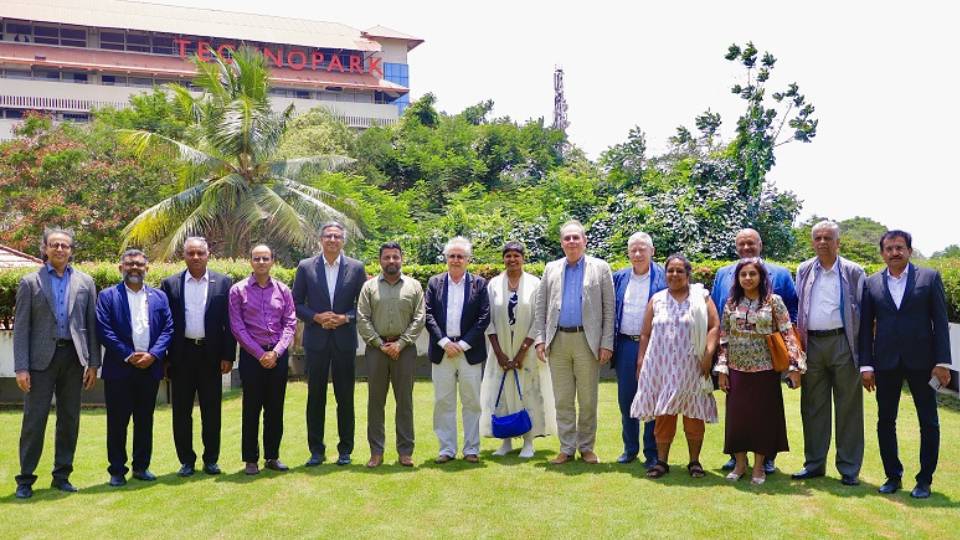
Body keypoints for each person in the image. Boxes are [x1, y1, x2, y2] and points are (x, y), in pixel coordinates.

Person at [860, 230, 952, 499]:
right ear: (882, 253)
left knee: (929, 422)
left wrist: (943, 362)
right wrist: (866, 365)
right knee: (885, 421)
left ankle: (924, 481)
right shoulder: (870, 283)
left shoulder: (929, 277)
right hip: (885, 362)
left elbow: (941, 323)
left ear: (909, 251)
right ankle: (892, 476)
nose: (894, 252)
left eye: (899, 247)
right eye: (888, 248)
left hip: (923, 362)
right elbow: (866, 328)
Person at [13, 228, 100, 499]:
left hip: (74, 359)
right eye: (55, 245)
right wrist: (21, 367)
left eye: (64, 245)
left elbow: (91, 327)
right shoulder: (30, 282)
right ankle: (25, 479)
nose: (60, 249)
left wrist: (94, 364)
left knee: (69, 419)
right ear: (45, 249)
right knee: (34, 421)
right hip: (40, 363)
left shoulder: (85, 282)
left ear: (71, 250)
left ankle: (62, 476)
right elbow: (21, 329)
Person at [711, 227, 798, 473]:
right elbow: (723, 328)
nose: (746, 248)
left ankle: (765, 460)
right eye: (742, 244)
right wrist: (721, 366)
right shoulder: (725, 282)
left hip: (766, 365)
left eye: (751, 244)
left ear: (760, 245)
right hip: (736, 365)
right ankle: (737, 461)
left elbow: (789, 323)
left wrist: (793, 364)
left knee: (764, 414)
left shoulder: (778, 283)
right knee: (738, 415)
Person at [791, 221, 866, 486]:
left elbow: (864, 315)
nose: (822, 242)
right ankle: (814, 464)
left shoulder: (854, 271)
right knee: (813, 407)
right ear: (812, 242)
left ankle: (848, 468)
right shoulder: (804, 269)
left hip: (843, 343)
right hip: (812, 345)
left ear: (838, 243)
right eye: (818, 238)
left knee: (848, 407)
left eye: (828, 238)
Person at [534, 220, 615, 465]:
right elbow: (541, 307)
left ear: (584, 241)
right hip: (557, 341)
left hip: (587, 341)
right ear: (561, 242)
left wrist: (606, 342)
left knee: (588, 399)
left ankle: (587, 447)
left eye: (575, 238)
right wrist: (540, 339)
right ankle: (567, 448)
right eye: (567, 238)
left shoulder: (600, 268)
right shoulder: (551, 268)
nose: (571, 242)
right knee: (563, 399)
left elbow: (609, 309)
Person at [631, 254, 719, 479]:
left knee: (694, 414)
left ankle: (694, 462)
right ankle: (661, 462)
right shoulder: (657, 299)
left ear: (688, 274)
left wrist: (708, 354)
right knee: (664, 414)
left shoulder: (702, 298)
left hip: (692, 365)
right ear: (665, 273)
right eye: (670, 270)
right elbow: (645, 334)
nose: (674, 275)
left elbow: (714, 326)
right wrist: (641, 361)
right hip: (662, 366)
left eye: (680, 271)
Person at [96, 249, 174, 487]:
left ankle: (141, 467)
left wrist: (154, 354)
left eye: (139, 264)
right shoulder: (108, 296)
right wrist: (129, 355)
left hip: (149, 369)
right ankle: (117, 470)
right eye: (129, 264)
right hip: (120, 370)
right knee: (117, 422)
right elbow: (104, 330)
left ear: (146, 269)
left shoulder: (159, 297)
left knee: (144, 420)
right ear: (121, 268)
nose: (134, 268)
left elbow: (168, 328)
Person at [160, 237, 236, 477]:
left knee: (211, 411)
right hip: (181, 355)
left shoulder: (223, 283)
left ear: (207, 254)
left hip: (211, 356)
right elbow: (164, 323)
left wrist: (228, 355)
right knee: (181, 412)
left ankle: (211, 459)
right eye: (190, 253)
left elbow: (229, 323)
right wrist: (165, 358)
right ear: (184, 255)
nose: (195, 257)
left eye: (199, 253)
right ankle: (186, 461)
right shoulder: (170, 284)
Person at [293, 222, 367, 467]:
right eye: (328, 236)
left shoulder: (356, 268)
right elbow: (296, 303)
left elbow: (364, 306)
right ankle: (316, 450)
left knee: (345, 397)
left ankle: (345, 450)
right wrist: (316, 317)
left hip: (344, 340)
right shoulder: (306, 267)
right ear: (320, 240)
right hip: (316, 341)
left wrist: (346, 317)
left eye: (337, 236)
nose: (333, 240)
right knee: (316, 397)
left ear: (343, 241)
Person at [480, 242, 557, 458]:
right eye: (508, 256)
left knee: (529, 392)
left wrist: (522, 352)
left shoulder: (535, 283)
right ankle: (505, 441)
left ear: (523, 258)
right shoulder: (494, 284)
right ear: (503, 259)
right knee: (502, 392)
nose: (512, 260)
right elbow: (488, 320)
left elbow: (538, 319)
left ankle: (529, 441)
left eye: (516, 255)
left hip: (528, 349)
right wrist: (499, 352)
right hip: (500, 349)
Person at [228, 245, 297, 476]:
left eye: (265, 258)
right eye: (256, 258)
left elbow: (290, 323)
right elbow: (237, 326)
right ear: (250, 262)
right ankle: (250, 459)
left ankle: (272, 456)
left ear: (272, 261)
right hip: (251, 357)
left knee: (275, 409)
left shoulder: (283, 290)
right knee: (251, 408)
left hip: (277, 356)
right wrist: (260, 354)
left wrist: (276, 352)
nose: (261, 262)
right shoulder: (238, 291)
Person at [356, 242, 426, 468]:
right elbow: (362, 318)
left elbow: (420, 318)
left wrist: (401, 343)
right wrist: (379, 343)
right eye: (386, 257)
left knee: (404, 401)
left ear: (401, 259)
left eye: (395, 257)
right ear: (380, 260)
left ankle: (405, 452)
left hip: (404, 351)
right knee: (376, 401)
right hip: (376, 350)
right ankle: (376, 452)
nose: (391, 261)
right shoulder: (369, 287)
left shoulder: (414, 286)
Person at [425, 237, 490, 464]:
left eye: (460, 256)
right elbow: (428, 314)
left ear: (468, 260)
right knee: (444, 402)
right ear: (446, 258)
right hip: (442, 351)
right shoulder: (434, 283)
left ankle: (471, 449)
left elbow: (484, 318)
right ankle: (447, 449)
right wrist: (444, 342)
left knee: (472, 401)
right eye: (451, 256)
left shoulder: (479, 284)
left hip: (468, 352)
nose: (455, 260)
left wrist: (461, 345)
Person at [611, 232, 666, 467]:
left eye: (642, 249)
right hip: (625, 344)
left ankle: (651, 451)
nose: (637, 253)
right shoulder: (619, 277)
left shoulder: (664, 276)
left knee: (652, 398)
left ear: (652, 251)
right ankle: (630, 448)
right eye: (633, 249)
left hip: (655, 346)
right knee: (626, 399)